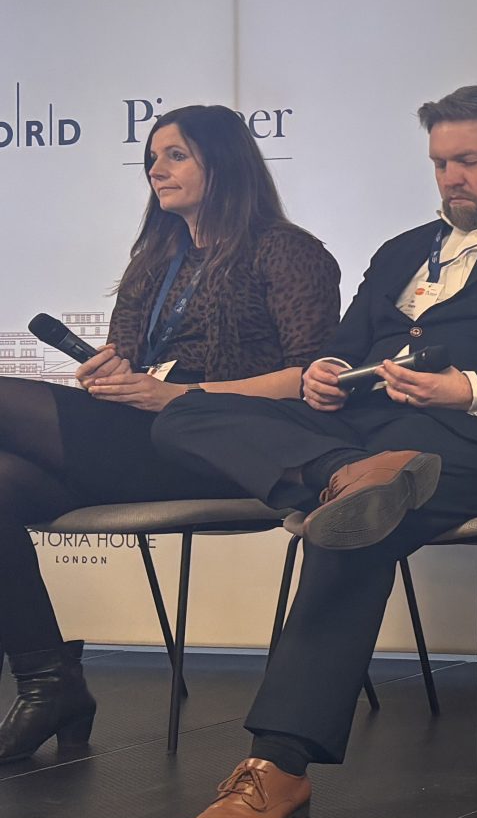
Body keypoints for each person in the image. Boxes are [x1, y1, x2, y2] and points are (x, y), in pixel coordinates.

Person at [149, 84, 477, 818]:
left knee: (353, 527)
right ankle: (344, 472)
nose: (452, 178)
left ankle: (277, 767)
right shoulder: (402, 250)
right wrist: (326, 375)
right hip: (369, 437)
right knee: (186, 414)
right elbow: (345, 349)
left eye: (469, 161)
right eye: (440, 163)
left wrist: (466, 389)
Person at [0, 106, 339, 763]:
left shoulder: (286, 250)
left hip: (233, 451)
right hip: (147, 439)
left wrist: (179, 396)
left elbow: (311, 377)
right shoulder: (154, 262)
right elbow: (131, 367)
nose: (157, 169)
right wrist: (111, 378)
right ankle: (49, 683)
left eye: (176, 155)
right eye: (153, 157)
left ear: (224, 162)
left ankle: (50, 686)